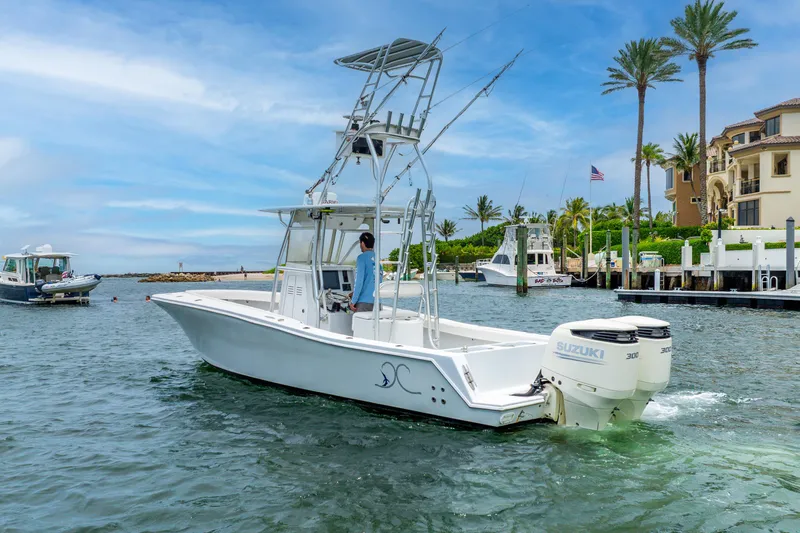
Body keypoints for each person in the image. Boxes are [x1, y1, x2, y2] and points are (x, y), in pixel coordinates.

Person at [349, 232, 382, 312]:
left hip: (364, 303)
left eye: (360, 243)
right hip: (377, 302)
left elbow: (359, 282)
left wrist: (353, 301)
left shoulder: (361, 258)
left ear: (362, 243)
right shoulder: (377, 259)